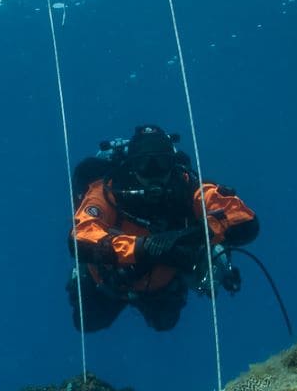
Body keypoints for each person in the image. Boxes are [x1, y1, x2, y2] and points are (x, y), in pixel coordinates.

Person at [67, 124, 258, 332]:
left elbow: (242, 217)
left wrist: (194, 234)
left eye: (162, 163)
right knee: (86, 322)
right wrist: (143, 247)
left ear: (172, 164)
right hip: (110, 282)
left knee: (165, 323)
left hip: (161, 286)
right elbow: (81, 236)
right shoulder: (107, 191)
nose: (154, 173)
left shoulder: (188, 187)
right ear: (132, 166)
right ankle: (82, 275)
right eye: (144, 165)